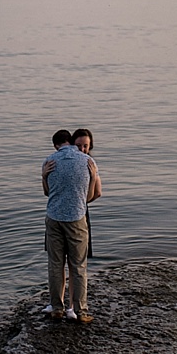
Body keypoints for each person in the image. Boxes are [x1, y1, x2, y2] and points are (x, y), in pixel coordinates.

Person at [40, 127, 101, 323]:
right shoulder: (87, 162)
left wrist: (43, 176)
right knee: (78, 266)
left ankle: (57, 308)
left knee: (55, 265)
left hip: (53, 218)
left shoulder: (49, 161)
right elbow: (90, 197)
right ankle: (80, 311)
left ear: (56, 145)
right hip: (76, 218)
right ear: (72, 143)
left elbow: (47, 192)